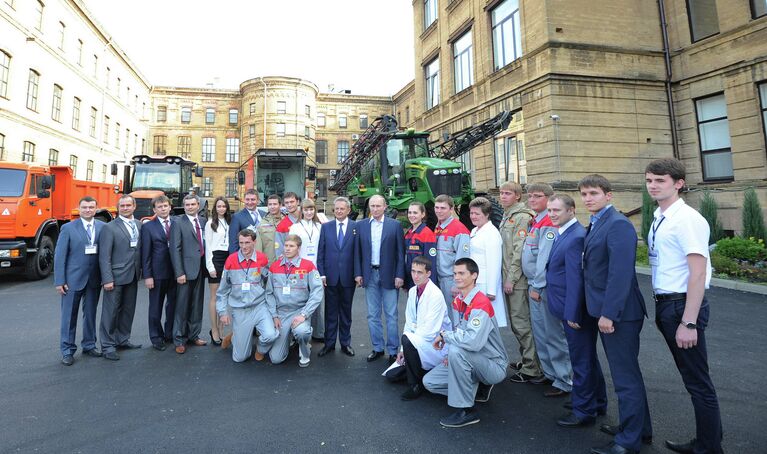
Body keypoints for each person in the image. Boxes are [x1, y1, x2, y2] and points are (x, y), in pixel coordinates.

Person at [645, 158, 722, 454]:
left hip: (682, 307)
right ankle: (709, 440)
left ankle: (709, 448)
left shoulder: (686, 219)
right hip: (667, 304)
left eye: (660, 180)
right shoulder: (661, 215)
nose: (653, 185)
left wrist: (689, 322)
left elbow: (698, 272)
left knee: (698, 382)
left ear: (678, 183)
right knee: (693, 379)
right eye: (650, 180)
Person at [580, 174, 652, 454]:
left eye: (594, 193)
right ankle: (638, 428)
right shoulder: (597, 222)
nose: (588, 199)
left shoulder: (618, 224)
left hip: (620, 313)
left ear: (608, 195)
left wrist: (609, 314)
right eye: (584, 194)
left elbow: (620, 275)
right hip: (606, 310)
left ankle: (628, 440)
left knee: (625, 379)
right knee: (627, 375)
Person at [544, 194, 608, 429]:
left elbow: (576, 280)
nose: (551, 214)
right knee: (587, 358)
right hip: (566, 306)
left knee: (580, 360)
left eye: (556, 210)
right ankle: (596, 401)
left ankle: (584, 410)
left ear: (571, 211)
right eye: (549, 210)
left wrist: (573, 313)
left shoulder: (575, 237)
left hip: (574, 311)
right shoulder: (565, 232)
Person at [423, 258, 509, 428]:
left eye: (461, 273)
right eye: (455, 273)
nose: (456, 277)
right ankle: (476, 388)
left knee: (456, 352)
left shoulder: (481, 303)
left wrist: (445, 336)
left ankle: (466, 410)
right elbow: (458, 331)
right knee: (430, 382)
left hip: (493, 364)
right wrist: (448, 353)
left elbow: (472, 342)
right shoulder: (458, 300)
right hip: (471, 359)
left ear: (474, 275)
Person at [520, 183, 572, 393]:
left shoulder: (548, 223)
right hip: (534, 284)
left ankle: (564, 379)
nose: (532, 200)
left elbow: (544, 258)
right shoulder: (536, 221)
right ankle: (551, 374)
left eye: (537, 196)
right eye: (530, 196)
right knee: (541, 333)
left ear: (549, 198)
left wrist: (538, 286)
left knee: (552, 335)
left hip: (542, 287)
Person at [388, 256, 452, 401]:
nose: (415, 276)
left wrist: (408, 342)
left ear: (428, 273)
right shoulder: (412, 292)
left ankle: (415, 385)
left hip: (436, 346)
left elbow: (430, 332)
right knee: (392, 376)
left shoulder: (436, 295)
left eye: (420, 272)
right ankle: (422, 372)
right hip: (418, 341)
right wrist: (404, 350)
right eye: (413, 271)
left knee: (407, 338)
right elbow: (409, 322)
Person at [498, 182, 543, 381]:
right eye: (501, 193)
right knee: (517, 323)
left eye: (508, 193)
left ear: (517, 196)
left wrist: (511, 278)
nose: (503, 196)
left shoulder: (523, 217)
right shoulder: (509, 215)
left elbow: (519, 251)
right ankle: (528, 360)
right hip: (511, 277)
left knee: (521, 323)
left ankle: (532, 368)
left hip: (518, 280)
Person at [54, 196, 105, 365]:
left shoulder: (103, 227)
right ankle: (67, 350)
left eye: (91, 207)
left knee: (90, 314)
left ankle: (89, 345)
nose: (88, 210)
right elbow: (60, 256)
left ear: (96, 209)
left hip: (94, 279)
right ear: (79, 208)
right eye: (84, 207)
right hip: (72, 280)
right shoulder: (68, 228)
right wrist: (59, 280)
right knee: (69, 317)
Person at [356, 195, 405, 363]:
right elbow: (358, 253)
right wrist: (358, 273)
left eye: (378, 206)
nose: (375, 209)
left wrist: (400, 275)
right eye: (372, 206)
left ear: (385, 207)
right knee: (372, 314)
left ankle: (392, 350)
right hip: (369, 274)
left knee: (391, 314)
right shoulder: (361, 226)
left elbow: (400, 253)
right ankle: (377, 348)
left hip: (390, 275)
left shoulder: (395, 226)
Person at [216, 229, 277, 363]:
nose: (244, 246)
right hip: (240, 309)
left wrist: (273, 311)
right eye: (241, 243)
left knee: (271, 335)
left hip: (260, 307)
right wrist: (223, 312)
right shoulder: (231, 260)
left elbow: (268, 285)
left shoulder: (262, 259)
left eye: (247, 243)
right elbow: (222, 290)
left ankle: (260, 349)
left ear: (254, 242)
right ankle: (236, 336)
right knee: (240, 358)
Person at [264, 234, 323, 367]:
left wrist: (304, 314)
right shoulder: (274, 266)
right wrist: (274, 316)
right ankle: (289, 337)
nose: (288, 249)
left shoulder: (308, 266)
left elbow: (317, 291)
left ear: (298, 248)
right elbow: (269, 294)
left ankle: (304, 348)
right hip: (281, 313)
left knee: (302, 332)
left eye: (292, 246)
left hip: (299, 312)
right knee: (275, 359)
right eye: (286, 246)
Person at [98, 195, 143, 361]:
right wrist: (107, 278)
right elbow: (104, 256)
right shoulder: (109, 228)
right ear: (118, 208)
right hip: (115, 277)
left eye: (128, 205)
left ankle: (122, 339)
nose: (125, 208)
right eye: (122, 206)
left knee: (127, 309)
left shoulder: (139, 225)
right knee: (110, 312)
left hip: (133, 275)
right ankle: (107, 345)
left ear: (134, 206)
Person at [316, 196, 359, 358]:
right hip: (330, 277)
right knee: (331, 312)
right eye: (337, 209)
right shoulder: (326, 227)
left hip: (349, 278)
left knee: (346, 313)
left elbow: (358, 253)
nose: (339, 211)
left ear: (348, 210)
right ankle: (329, 344)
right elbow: (321, 252)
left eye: (342, 208)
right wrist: (322, 274)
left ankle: (346, 344)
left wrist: (358, 274)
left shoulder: (356, 227)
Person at [169, 194, 208, 354]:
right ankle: (179, 339)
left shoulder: (204, 222)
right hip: (185, 271)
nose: (190, 207)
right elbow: (175, 249)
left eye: (193, 204)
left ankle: (194, 335)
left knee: (197, 305)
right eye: (187, 205)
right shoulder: (178, 223)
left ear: (198, 205)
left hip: (201, 269)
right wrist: (179, 272)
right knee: (182, 306)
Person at [140, 195, 177, 351]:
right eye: (159, 207)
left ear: (170, 207)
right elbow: (145, 253)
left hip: (175, 273)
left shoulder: (177, 223)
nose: (163, 209)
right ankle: (156, 337)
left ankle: (169, 334)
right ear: (154, 209)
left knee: (173, 306)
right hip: (157, 274)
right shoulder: (148, 227)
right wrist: (147, 276)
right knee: (155, 308)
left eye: (165, 206)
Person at [468, 197, 507, 328]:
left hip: (485, 285)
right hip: (475, 282)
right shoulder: (475, 230)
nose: (473, 216)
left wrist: (491, 290)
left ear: (487, 214)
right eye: (471, 213)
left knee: (488, 323)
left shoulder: (492, 234)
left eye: (477, 214)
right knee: (478, 323)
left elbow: (494, 263)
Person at [289, 198, 324, 340]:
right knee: (300, 300)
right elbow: (291, 249)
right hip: (300, 268)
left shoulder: (319, 226)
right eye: (306, 209)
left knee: (318, 301)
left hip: (317, 268)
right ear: (301, 211)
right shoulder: (295, 227)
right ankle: (298, 331)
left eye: (311, 209)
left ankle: (318, 333)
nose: (309, 212)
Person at [433, 194, 471, 324]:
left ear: (451, 209)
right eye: (436, 207)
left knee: (455, 318)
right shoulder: (438, 227)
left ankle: (458, 344)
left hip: (451, 281)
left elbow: (463, 259)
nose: (439, 211)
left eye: (443, 208)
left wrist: (457, 284)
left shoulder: (459, 229)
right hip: (439, 279)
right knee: (444, 318)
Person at [205, 196, 231, 345]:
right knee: (215, 297)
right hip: (216, 259)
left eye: (224, 206)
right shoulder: (210, 224)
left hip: (228, 258)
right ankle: (214, 330)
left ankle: (221, 329)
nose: (221, 209)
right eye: (219, 206)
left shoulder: (229, 222)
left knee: (224, 296)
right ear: (215, 208)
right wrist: (210, 266)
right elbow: (208, 246)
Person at [403, 201, 438, 290]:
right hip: (411, 279)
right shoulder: (408, 233)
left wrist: (430, 285)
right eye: (410, 212)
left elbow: (431, 262)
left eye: (415, 212)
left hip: (423, 281)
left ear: (422, 214)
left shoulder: (427, 234)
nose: (412, 215)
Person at [228, 189, 261, 253]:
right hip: (245, 256)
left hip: (263, 256)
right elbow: (233, 242)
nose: (250, 202)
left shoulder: (264, 215)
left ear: (258, 200)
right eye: (247, 199)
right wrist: (235, 259)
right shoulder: (237, 217)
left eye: (253, 199)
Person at [254, 194, 283, 264]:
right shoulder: (262, 224)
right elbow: (258, 247)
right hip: (269, 264)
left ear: (280, 205)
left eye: (275, 204)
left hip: (285, 263)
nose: (272, 207)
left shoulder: (286, 221)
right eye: (270, 204)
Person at [274, 191, 301, 259]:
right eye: (286, 203)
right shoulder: (281, 226)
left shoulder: (307, 220)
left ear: (298, 202)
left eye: (292, 202)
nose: (289, 205)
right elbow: (279, 251)